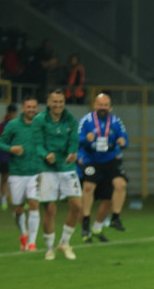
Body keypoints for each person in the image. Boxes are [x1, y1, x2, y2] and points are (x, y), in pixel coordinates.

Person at [31, 89, 81, 261]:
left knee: (77, 206)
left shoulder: (71, 120)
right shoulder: (39, 120)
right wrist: (46, 154)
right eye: (54, 102)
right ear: (48, 102)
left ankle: (64, 243)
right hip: (47, 168)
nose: (57, 105)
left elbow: (74, 140)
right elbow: (37, 143)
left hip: (67, 167)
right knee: (50, 209)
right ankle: (49, 248)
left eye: (60, 102)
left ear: (64, 103)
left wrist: (73, 153)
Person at [78, 94, 129, 237]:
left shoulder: (116, 121)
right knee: (88, 186)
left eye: (105, 105)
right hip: (91, 159)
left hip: (110, 160)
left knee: (121, 185)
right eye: (100, 105)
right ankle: (86, 222)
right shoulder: (86, 120)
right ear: (95, 105)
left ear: (110, 107)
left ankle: (115, 218)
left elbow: (125, 139)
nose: (103, 108)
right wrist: (85, 139)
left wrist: (122, 142)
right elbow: (77, 140)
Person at [0, 96, 41, 251]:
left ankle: (32, 243)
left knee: (34, 204)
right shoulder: (13, 125)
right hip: (16, 172)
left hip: (34, 172)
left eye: (34, 107)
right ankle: (23, 234)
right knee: (18, 209)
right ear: (23, 108)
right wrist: (11, 149)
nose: (31, 110)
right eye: (29, 107)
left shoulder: (40, 125)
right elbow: (1, 142)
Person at [0, 104, 17, 210]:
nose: (13, 115)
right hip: (4, 157)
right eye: (12, 113)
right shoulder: (2, 126)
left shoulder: (17, 125)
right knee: (4, 179)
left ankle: (16, 200)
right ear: (9, 113)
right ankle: (4, 201)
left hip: (15, 158)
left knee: (15, 180)